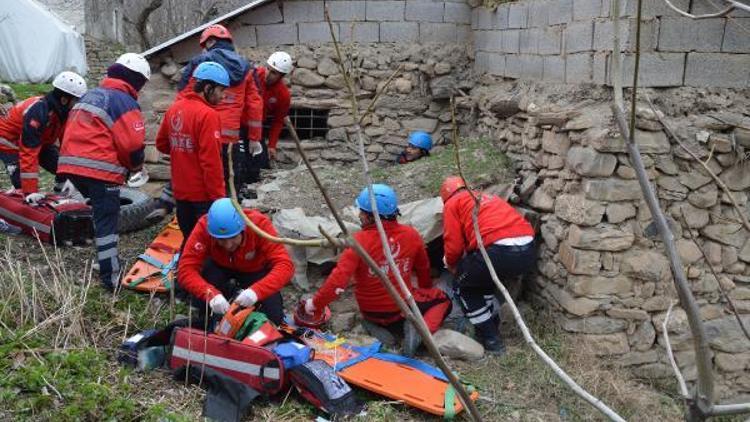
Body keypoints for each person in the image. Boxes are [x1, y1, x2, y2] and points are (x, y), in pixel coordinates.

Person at [303, 184, 451, 356]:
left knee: (383, 310)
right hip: (402, 309)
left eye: (361, 212)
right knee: (443, 300)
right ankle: (422, 332)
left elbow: (338, 282)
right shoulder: (411, 235)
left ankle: (377, 328)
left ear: (369, 216)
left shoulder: (357, 242)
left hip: (370, 311)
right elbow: (423, 268)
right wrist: (424, 291)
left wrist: (315, 304)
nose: (359, 216)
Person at [147, 24, 264, 221]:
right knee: (228, 183)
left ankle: (182, 212)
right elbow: (254, 104)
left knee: (193, 176)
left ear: (210, 42)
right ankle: (227, 220)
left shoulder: (200, 65)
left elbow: (184, 97)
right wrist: (254, 138)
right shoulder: (246, 67)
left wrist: (178, 122)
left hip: (198, 132)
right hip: (229, 139)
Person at [57, 53, 150, 291]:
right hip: (99, 170)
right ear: (137, 80)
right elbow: (132, 145)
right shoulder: (124, 101)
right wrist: (136, 168)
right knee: (107, 221)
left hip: (71, 166)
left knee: (100, 215)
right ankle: (111, 276)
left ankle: (103, 259)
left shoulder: (90, 95)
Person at [440, 176, 536, 354]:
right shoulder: (490, 197)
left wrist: (453, 267)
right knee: (480, 280)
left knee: (463, 287)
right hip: (528, 249)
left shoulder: (452, 204)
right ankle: (490, 322)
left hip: (498, 250)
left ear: (445, 196)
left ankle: (491, 339)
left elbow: (453, 246)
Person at [178, 198, 294, 324]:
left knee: (274, 317)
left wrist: (256, 291)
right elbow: (185, 269)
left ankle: (235, 294)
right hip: (219, 266)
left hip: (254, 270)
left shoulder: (259, 225)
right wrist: (210, 294)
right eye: (221, 239)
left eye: (233, 237)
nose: (228, 245)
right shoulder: (204, 226)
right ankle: (226, 294)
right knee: (202, 308)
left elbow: (285, 265)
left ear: (243, 228)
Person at [155, 62, 228, 243]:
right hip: (202, 196)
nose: (223, 96)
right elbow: (211, 163)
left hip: (180, 193)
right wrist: (219, 200)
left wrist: (183, 153)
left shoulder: (174, 108)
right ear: (208, 88)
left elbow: (162, 144)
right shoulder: (208, 115)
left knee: (189, 241)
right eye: (221, 90)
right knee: (207, 247)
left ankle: (185, 270)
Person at [0, 71, 87, 200]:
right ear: (64, 99)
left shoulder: (63, 111)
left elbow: (67, 144)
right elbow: (29, 152)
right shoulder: (38, 112)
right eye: (76, 101)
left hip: (39, 141)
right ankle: (21, 199)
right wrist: (30, 192)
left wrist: (72, 174)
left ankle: (62, 192)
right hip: (10, 142)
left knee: (61, 165)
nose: (78, 105)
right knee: (22, 184)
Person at [245, 51, 293, 183]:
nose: (268, 74)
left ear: (282, 75)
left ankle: (251, 185)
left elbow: (278, 121)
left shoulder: (283, 95)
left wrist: (272, 145)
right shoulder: (253, 76)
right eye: (268, 69)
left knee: (258, 161)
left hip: (257, 128)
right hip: (240, 124)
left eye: (274, 73)